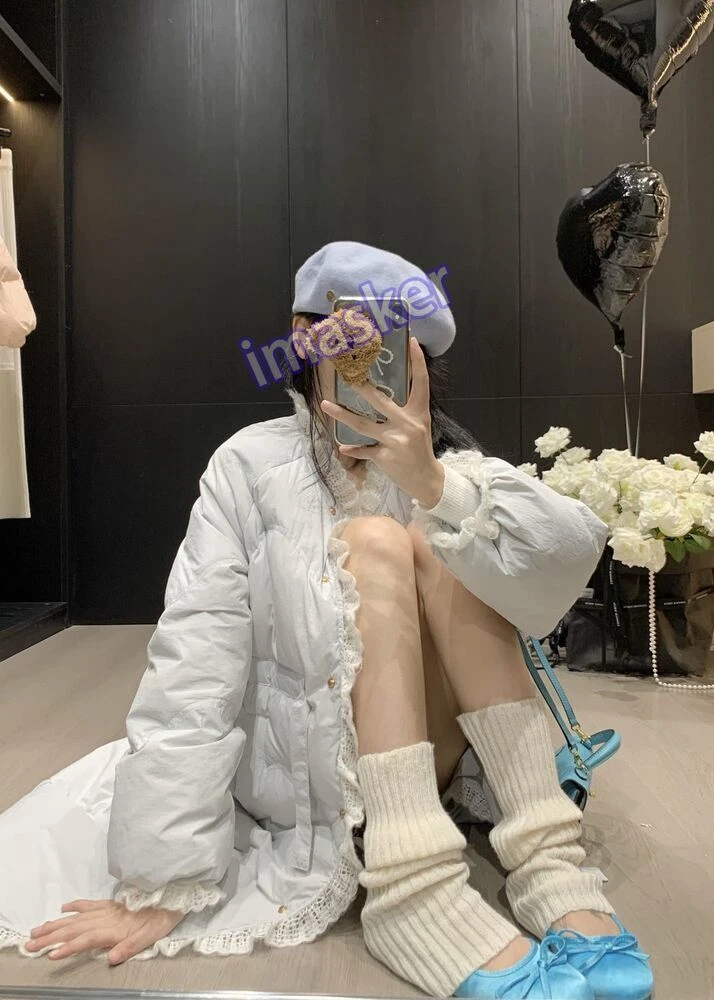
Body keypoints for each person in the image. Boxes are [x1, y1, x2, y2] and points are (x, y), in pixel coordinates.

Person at [0, 242, 653, 1000]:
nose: (364, 357)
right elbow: (194, 658)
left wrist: (434, 486)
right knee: (374, 541)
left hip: (430, 762)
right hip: (302, 774)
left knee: (449, 538)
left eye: (387, 341)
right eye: (342, 333)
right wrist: (163, 877)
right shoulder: (248, 466)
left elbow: (567, 560)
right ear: (301, 338)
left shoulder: (449, 464)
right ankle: (413, 887)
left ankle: (547, 861)